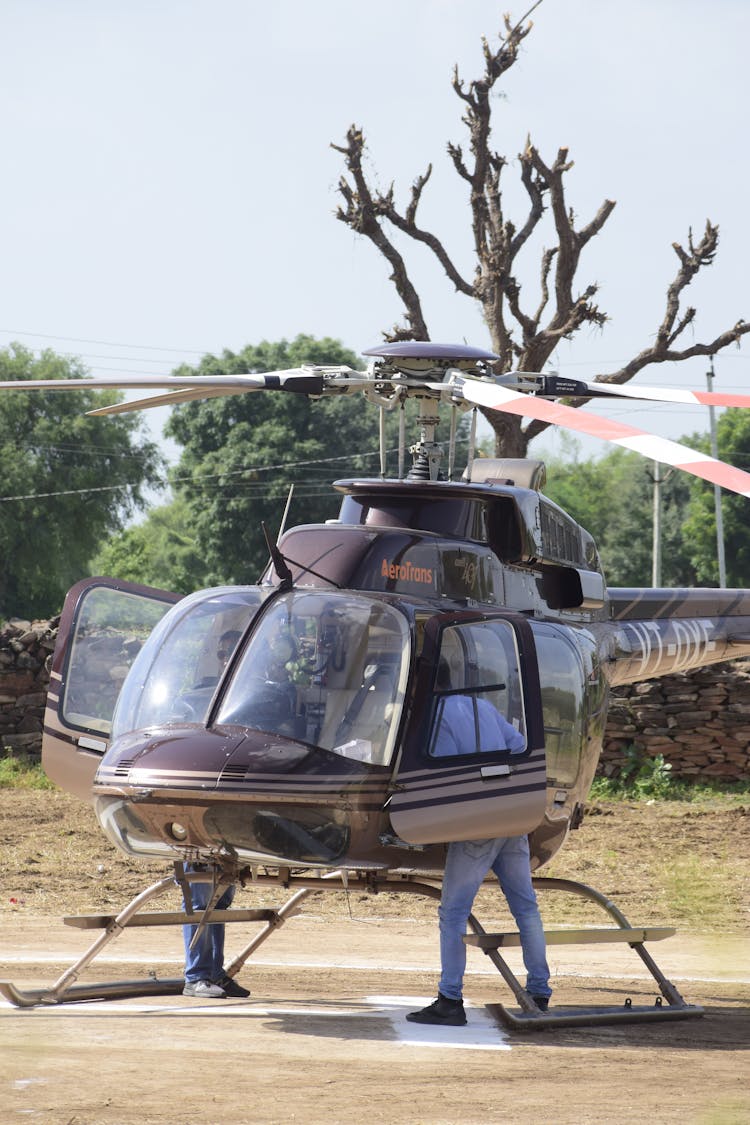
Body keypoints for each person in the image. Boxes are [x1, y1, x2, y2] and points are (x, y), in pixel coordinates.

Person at [406, 661, 551, 1025]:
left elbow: (441, 764)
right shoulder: (482, 706)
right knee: (525, 906)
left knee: (453, 913)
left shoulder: (436, 713)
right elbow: (518, 745)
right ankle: (540, 989)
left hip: (476, 819)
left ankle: (450, 999)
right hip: (511, 814)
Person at [182, 629, 249, 999]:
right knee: (199, 892)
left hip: (228, 807)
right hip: (197, 803)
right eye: (227, 652)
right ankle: (196, 975)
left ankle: (214, 971)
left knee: (221, 894)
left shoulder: (250, 697)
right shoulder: (200, 697)